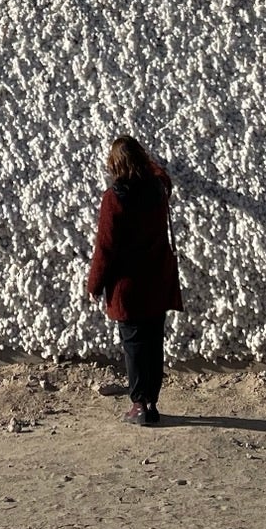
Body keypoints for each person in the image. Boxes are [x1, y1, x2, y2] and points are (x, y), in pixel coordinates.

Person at [84, 134, 183, 426]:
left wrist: (94, 285)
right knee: (153, 342)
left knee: (134, 344)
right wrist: (146, 161)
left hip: (128, 286)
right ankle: (151, 403)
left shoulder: (114, 199)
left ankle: (139, 404)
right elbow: (163, 176)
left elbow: (105, 246)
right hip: (156, 280)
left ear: (114, 165)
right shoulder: (157, 190)